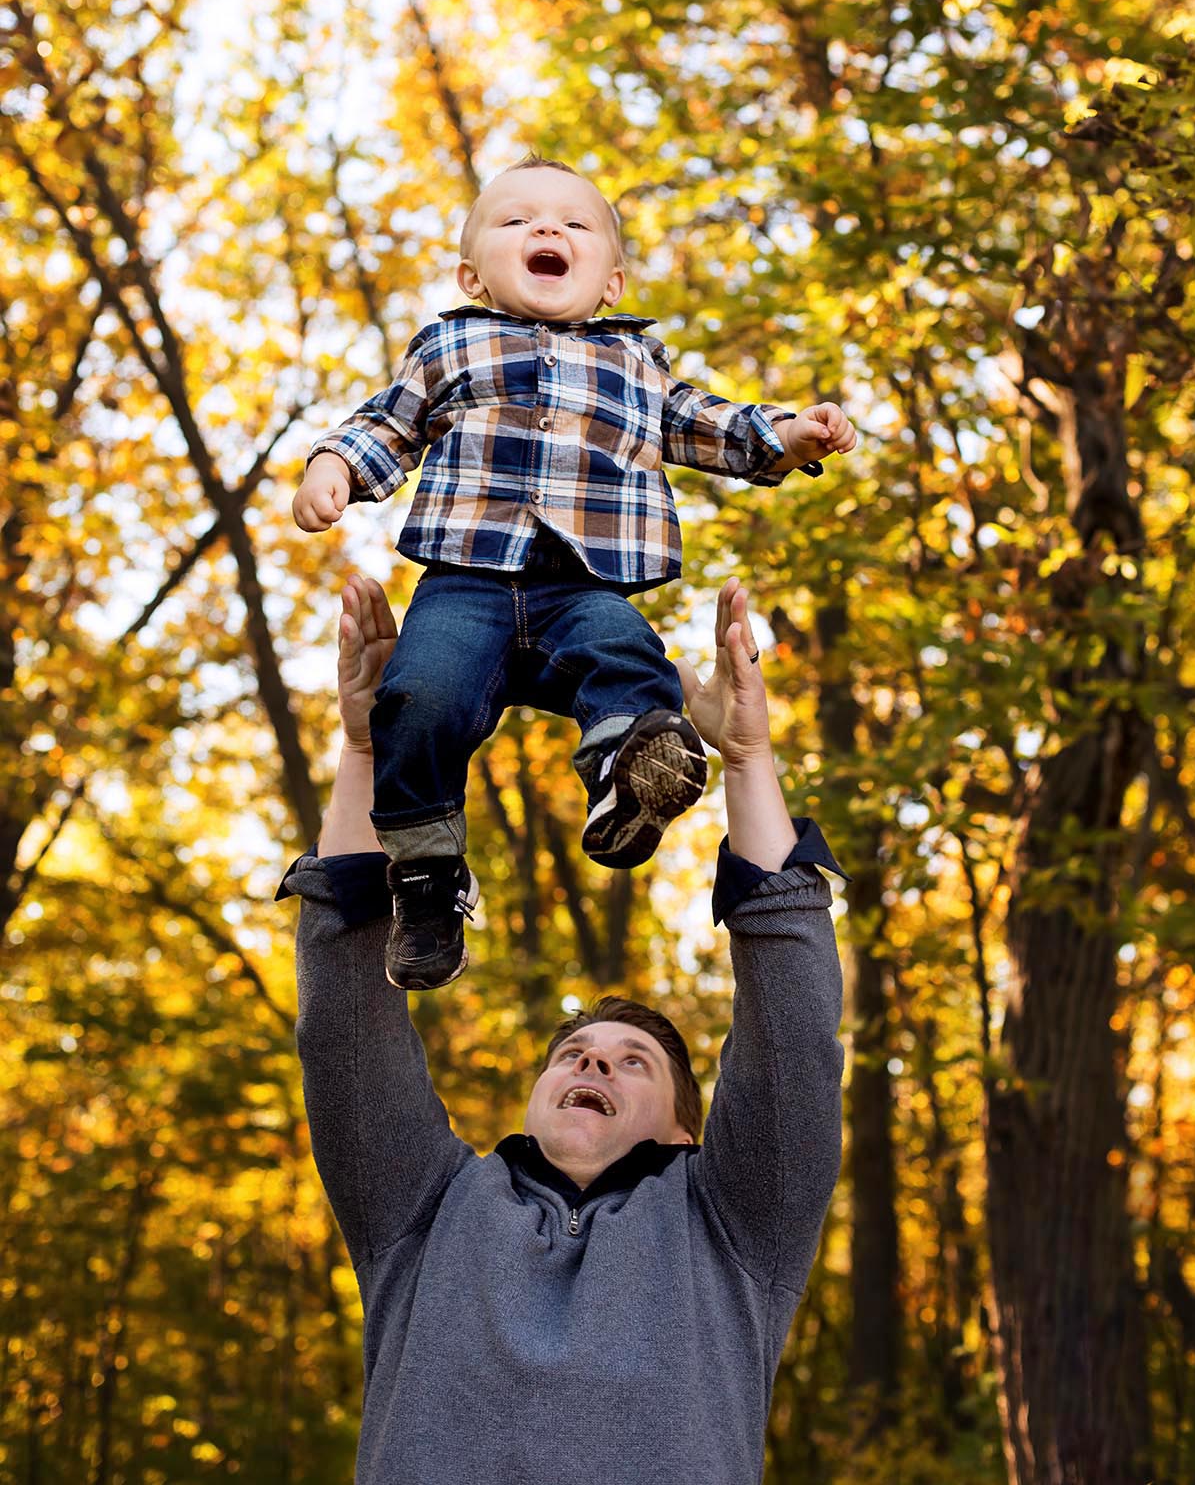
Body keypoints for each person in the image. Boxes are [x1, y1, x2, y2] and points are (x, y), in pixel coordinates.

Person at [277, 572, 846, 1485]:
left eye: (633, 1064)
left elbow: (795, 1026)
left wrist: (747, 762)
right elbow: (343, 1014)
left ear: (683, 1131)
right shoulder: (422, 1210)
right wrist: (363, 749)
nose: (594, 1062)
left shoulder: (735, 1227)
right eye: (576, 1054)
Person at [292, 156, 857, 990]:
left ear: (612, 282)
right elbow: (390, 422)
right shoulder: (452, 342)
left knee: (629, 659)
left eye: (574, 224)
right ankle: (425, 875)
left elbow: (706, 421)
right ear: (471, 274)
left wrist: (785, 434)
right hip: (466, 580)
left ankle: (629, 774)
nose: (547, 230)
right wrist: (336, 464)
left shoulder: (638, 361)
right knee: (415, 703)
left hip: (585, 580)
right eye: (517, 221)